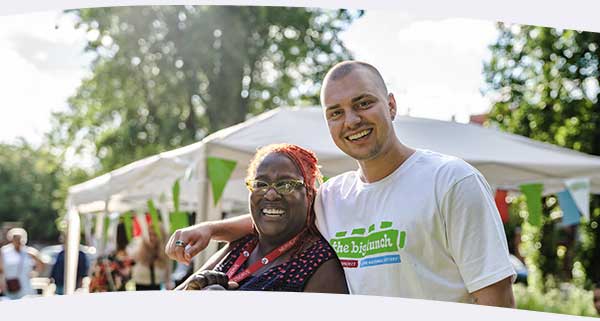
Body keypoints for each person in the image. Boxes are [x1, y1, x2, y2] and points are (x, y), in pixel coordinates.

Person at [166, 61, 515, 306]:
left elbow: (495, 299)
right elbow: (274, 217)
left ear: (391, 105)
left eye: (363, 104)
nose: (351, 120)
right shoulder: (334, 195)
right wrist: (211, 229)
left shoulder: (452, 181)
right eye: (336, 112)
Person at [179, 144, 348, 293]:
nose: (271, 194)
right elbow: (173, 300)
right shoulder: (242, 244)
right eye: (260, 184)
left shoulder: (321, 263)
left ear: (309, 194)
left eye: (286, 185)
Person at [0, 228, 44, 299]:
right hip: (10, 283)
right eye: (15, 238)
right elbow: (1, 269)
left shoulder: (28, 251)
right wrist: (1, 282)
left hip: (25, 283)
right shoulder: (5, 251)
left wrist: (36, 273)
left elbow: (41, 263)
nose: (18, 241)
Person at [131, 226, 173, 291]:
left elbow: (168, 268)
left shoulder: (165, 251)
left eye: (155, 235)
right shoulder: (139, 246)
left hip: (158, 284)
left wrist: (168, 281)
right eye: (149, 234)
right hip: (141, 283)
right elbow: (132, 256)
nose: (152, 237)